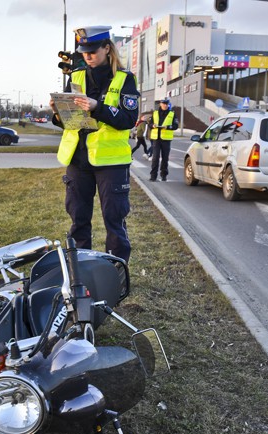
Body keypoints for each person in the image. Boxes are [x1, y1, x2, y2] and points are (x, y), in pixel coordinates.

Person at [51, 26, 139, 262]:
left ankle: (116, 275)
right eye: (84, 51)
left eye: (92, 50)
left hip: (111, 163)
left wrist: (96, 107)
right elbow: (72, 122)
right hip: (78, 160)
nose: (87, 55)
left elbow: (128, 119)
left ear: (107, 48)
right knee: (78, 220)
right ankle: (80, 273)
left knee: (114, 221)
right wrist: (59, 113)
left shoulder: (125, 79)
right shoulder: (76, 77)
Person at [149, 98, 178, 182]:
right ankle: (153, 176)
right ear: (160, 104)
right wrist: (153, 125)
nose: (165, 105)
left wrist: (168, 127)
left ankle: (164, 175)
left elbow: (175, 126)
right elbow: (150, 124)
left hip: (166, 139)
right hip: (156, 139)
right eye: (163, 103)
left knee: (165, 158)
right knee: (155, 158)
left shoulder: (172, 114)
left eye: (166, 104)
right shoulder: (155, 113)